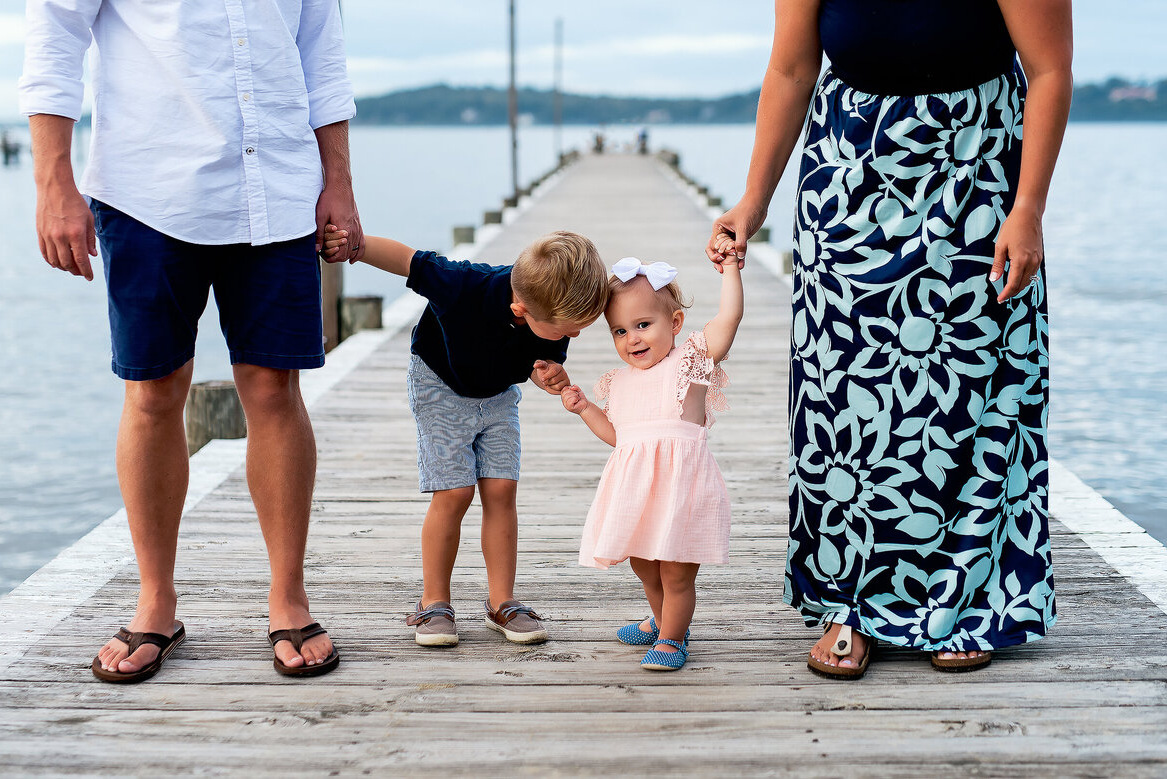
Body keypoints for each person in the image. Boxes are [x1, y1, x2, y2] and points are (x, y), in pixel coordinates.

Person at [707, 0, 1071, 678]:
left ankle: (971, 601)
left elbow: (1049, 69)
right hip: (847, 169)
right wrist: (753, 200)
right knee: (842, 394)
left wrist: (1028, 209)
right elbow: (790, 68)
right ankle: (852, 600)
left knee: (970, 393)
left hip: (977, 167)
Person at [20, 0, 363, 681]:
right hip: (147, 187)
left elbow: (321, 50)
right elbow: (55, 32)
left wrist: (340, 183)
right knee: (152, 390)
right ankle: (156, 603)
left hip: (277, 186)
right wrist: (53, 180)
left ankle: (288, 597)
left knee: (274, 388)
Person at [322, 227, 609, 646]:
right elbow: (407, 259)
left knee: (501, 489)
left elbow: (539, 354)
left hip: (496, 395)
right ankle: (434, 602)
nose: (575, 335)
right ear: (521, 307)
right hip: (440, 386)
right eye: (568, 329)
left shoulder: (552, 311)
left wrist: (547, 371)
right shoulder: (462, 285)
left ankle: (502, 602)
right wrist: (352, 244)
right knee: (455, 492)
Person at [558, 255, 743, 671]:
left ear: (675, 323)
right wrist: (586, 408)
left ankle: (673, 637)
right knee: (645, 565)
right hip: (637, 494)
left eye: (644, 325)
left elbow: (729, 317)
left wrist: (731, 269)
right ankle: (660, 619)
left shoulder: (690, 362)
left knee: (676, 572)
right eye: (620, 331)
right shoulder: (620, 381)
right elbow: (619, 437)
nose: (632, 339)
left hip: (682, 491)